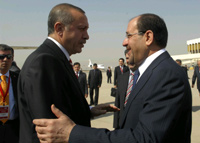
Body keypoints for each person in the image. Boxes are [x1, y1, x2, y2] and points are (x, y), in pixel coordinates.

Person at [33, 13, 192, 143]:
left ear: (148, 37)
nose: (124, 43)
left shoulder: (166, 75)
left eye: (129, 36)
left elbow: (145, 138)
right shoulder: (151, 72)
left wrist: (72, 133)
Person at [17, 3, 118, 143]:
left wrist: (88, 111)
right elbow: (51, 129)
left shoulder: (58, 59)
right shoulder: (44, 62)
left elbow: (62, 108)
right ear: (59, 28)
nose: (87, 36)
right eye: (82, 29)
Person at [0, 44, 19, 143]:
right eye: (1, 57)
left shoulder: (18, 78)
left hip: (13, 128)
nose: (5, 60)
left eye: (8, 57)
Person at [113, 49, 137, 129]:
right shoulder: (122, 78)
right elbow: (118, 102)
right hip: (122, 122)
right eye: (127, 58)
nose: (130, 60)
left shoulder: (146, 76)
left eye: (133, 57)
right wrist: (116, 125)